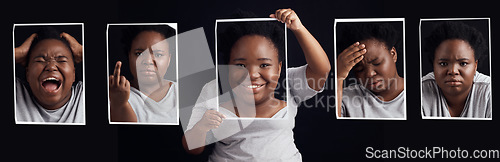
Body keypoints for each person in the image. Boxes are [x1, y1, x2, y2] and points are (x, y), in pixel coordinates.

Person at [182, 9, 330, 161]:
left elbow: (322, 70)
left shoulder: (290, 82)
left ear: (279, 68)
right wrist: (201, 127)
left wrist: (298, 28)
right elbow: (192, 148)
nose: (252, 74)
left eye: (264, 65)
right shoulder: (212, 90)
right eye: (240, 65)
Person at [109, 25, 178, 123]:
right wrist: (120, 105)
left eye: (158, 54)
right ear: (129, 56)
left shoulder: (183, 94)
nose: (148, 61)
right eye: (139, 53)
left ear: (169, 59)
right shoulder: (114, 95)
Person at [421, 21, 491, 118]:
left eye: (463, 63)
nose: (453, 71)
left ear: (475, 66)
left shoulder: (489, 92)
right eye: (443, 63)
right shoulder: (421, 91)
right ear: (433, 65)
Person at [15, 26, 84, 123]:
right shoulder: (15, 93)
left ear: (73, 73)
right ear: (27, 73)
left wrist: (82, 52)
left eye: (61, 60)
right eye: (40, 60)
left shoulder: (84, 96)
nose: (51, 67)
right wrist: (18, 53)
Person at [336, 22, 405, 118]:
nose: (369, 74)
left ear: (393, 54)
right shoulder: (345, 98)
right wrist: (338, 77)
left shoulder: (425, 91)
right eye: (359, 69)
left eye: (377, 63)